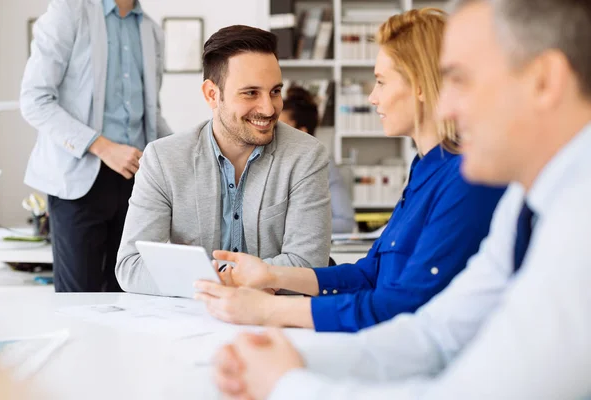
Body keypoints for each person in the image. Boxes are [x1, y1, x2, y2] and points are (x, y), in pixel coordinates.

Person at [211, 0, 591, 398]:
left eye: (461, 80)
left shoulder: (578, 229)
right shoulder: (524, 206)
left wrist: (286, 382)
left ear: (544, 81)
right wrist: (300, 362)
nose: (445, 107)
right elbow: (434, 334)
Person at [194, 9, 505, 332]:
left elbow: (400, 306)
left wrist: (270, 309)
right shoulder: (425, 167)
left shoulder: (468, 178)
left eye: (382, 82)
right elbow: (368, 275)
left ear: (420, 85)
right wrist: (270, 275)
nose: (372, 97)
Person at [115, 25, 332, 295]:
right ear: (211, 95)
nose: (268, 108)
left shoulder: (307, 156)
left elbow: (309, 265)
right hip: (196, 321)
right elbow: (131, 265)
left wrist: (205, 278)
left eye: (275, 91)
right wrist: (232, 282)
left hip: (276, 322)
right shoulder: (163, 159)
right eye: (251, 93)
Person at [20, 0, 172, 292]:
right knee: (80, 300)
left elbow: (151, 116)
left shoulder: (152, 30)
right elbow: (35, 100)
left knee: (133, 294)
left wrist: (190, 150)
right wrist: (102, 147)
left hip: (136, 183)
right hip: (76, 181)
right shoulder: (69, 12)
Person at [279, 87, 355, 234]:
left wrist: (296, 228)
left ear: (301, 132)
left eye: (281, 128)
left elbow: (345, 223)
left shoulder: (323, 164)